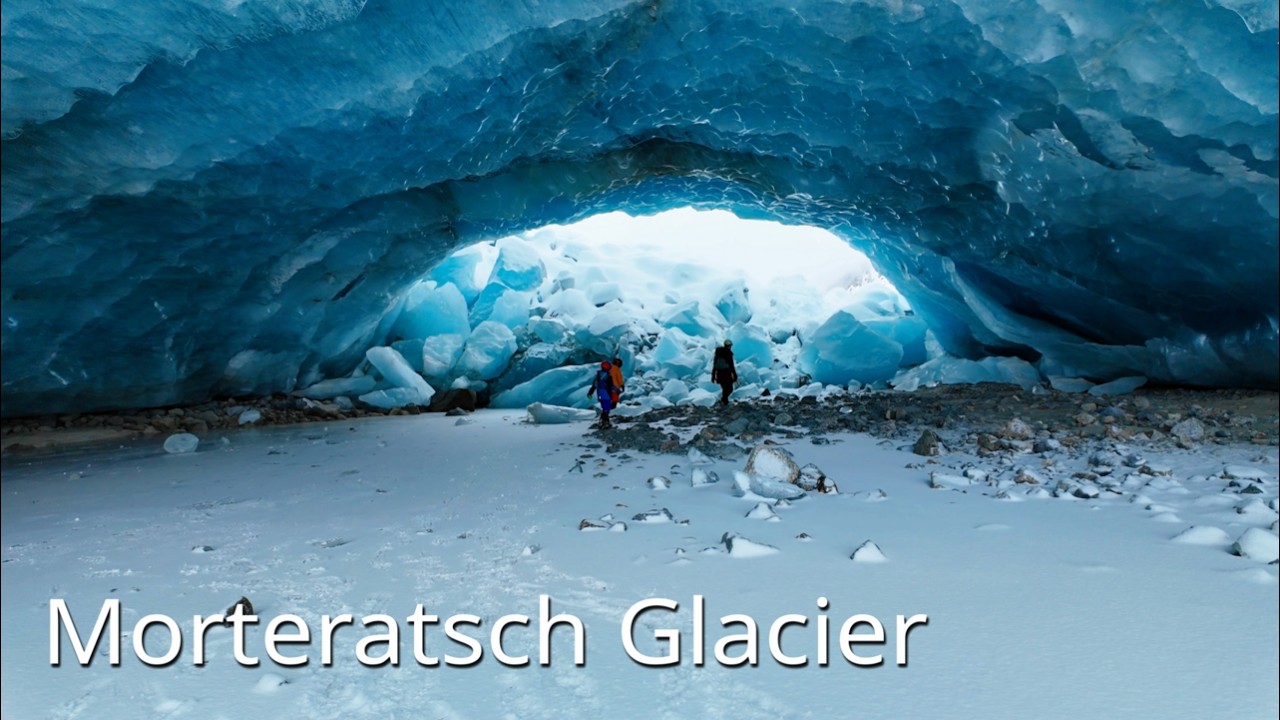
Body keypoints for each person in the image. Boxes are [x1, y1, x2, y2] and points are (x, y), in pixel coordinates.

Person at [587, 361, 616, 429]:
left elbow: (594, 385)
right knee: (606, 408)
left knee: (605, 408)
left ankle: (603, 422)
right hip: (606, 394)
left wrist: (590, 393)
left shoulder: (598, 375)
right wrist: (617, 390)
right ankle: (605, 423)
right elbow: (611, 386)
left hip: (600, 393)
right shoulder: (608, 376)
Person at [711, 339, 737, 405]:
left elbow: (714, 365)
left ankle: (724, 401)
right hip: (726, 373)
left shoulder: (718, 354)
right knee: (729, 388)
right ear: (729, 346)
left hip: (719, 374)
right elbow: (731, 366)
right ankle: (724, 400)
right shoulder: (728, 354)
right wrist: (734, 375)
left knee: (724, 388)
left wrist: (713, 376)